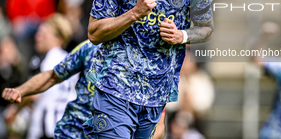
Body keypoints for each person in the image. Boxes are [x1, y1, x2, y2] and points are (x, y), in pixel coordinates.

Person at [85, 0, 214, 138]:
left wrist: (181, 36)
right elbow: (94, 33)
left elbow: (206, 28)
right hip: (115, 88)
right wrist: (134, 13)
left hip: (157, 96)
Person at [2, 39, 166, 139]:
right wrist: (20, 91)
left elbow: (158, 126)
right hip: (72, 133)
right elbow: (53, 76)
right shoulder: (91, 48)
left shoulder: (152, 67)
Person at [26, 13, 77, 139]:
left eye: (43, 34)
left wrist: (15, 109)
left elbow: (34, 94)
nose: (38, 38)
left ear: (58, 38)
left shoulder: (51, 58)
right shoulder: (69, 59)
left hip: (48, 127)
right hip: (67, 126)